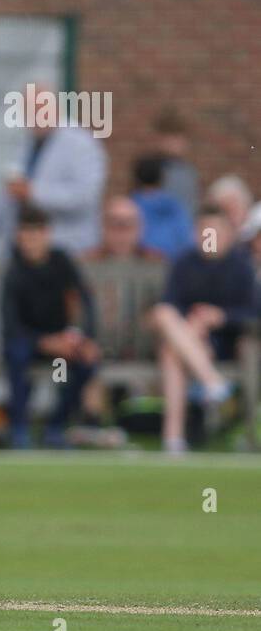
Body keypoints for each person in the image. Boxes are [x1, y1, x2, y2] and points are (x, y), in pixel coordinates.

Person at [151, 203, 255, 453]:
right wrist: (194, 325)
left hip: (223, 345)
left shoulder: (241, 266)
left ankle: (173, 436)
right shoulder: (184, 263)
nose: (208, 236)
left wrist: (219, 317)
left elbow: (252, 313)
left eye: (215, 231)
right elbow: (170, 304)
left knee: (170, 351)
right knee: (163, 315)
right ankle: (214, 384)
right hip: (191, 341)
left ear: (229, 234)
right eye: (204, 230)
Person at [0, 82, 108, 255]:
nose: (34, 117)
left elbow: (85, 197)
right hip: (24, 250)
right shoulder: (26, 144)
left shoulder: (82, 144)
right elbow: (9, 193)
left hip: (68, 248)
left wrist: (33, 192)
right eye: (29, 111)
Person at [0, 203, 100, 448]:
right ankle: (20, 427)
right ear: (18, 236)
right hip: (30, 342)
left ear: (47, 234)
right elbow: (10, 325)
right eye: (26, 234)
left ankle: (56, 425)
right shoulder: (14, 272)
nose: (31, 241)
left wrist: (84, 338)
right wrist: (45, 343)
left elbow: (85, 301)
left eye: (36, 234)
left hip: (62, 346)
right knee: (16, 355)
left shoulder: (61, 262)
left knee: (84, 363)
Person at [131, 156, 193, 259]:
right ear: (162, 178)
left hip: (138, 265)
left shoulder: (128, 207)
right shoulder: (175, 205)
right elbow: (187, 239)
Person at [82, 196, 162, 262]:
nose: (122, 234)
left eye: (129, 225)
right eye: (114, 225)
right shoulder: (84, 264)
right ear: (102, 227)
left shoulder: (157, 263)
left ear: (141, 229)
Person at [151, 108, 198, 219]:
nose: (175, 144)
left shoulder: (190, 172)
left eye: (179, 139)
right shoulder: (152, 171)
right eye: (171, 138)